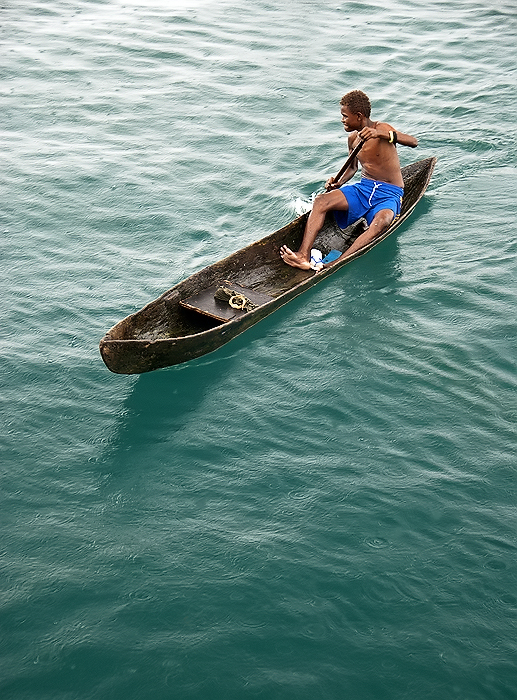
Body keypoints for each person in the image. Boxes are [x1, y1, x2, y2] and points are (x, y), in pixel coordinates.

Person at [280, 90, 418, 270]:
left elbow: (413, 141)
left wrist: (380, 134)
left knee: (381, 222)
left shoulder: (382, 128)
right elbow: (352, 168)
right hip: (364, 189)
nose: (342, 120)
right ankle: (302, 255)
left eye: (345, 116)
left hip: (389, 193)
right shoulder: (353, 138)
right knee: (321, 201)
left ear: (359, 116)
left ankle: (335, 263)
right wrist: (338, 183)